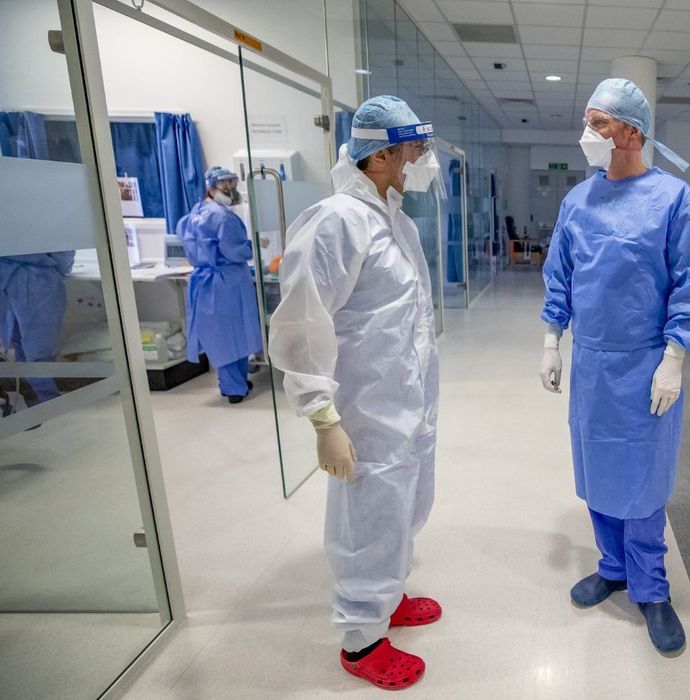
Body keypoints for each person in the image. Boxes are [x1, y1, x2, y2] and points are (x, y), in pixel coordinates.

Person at [268, 95, 443, 691]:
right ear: (385, 154)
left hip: (408, 402)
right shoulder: (337, 219)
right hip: (366, 409)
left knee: (404, 502)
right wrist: (323, 416)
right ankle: (360, 637)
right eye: (415, 149)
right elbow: (302, 321)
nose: (423, 159)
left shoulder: (395, 217)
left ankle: (387, 594)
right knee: (367, 513)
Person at [539, 78, 690, 655]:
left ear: (631, 132)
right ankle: (613, 566)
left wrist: (674, 358)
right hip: (593, 363)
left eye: (599, 124)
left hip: (646, 365)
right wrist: (551, 340)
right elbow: (560, 273)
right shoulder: (577, 200)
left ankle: (652, 587)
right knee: (596, 469)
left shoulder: (671, 199)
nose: (588, 135)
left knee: (642, 480)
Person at [175, 167, 263, 403]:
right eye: (225, 186)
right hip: (227, 282)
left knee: (220, 336)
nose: (231, 190)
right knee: (235, 335)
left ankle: (230, 384)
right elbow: (235, 250)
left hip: (204, 282)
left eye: (232, 185)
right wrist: (254, 246)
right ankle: (235, 388)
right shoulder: (222, 217)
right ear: (211, 188)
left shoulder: (195, 213)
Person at [0, 250, 74, 406]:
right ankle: (45, 397)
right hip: (32, 275)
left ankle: (34, 392)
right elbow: (61, 245)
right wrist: (61, 268)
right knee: (39, 343)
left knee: (18, 337)